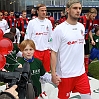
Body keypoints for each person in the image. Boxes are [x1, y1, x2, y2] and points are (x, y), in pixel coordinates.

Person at [51, 0, 92, 99]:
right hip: (65, 75)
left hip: (81, 73)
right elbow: (53, 53)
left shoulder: (81, 27)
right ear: (67, 10)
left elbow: (80, 48)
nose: (78, 11)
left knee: (88, 97)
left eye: (79, 8)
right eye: (75, 8)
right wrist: (53, 73)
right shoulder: (59, 29)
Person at [25, 4, 53, 72]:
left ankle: (44, 82)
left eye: (45, 10)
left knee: (45, 71)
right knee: (35, 71)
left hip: (46, 51)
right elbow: (27, 37)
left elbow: (51, 36)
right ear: (37, 11)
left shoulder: (48, 22)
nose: (44, 12)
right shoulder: (32, 22)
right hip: (35, 50)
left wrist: (51, 48)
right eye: (42, 10)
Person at [79, 8, 97, 74]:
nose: (94, 18)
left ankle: (86, 71)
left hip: (86, 40)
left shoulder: (91, 21)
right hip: (79, 41)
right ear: (89, 13)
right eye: (93, 16)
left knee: (86, 55)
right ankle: (79, 71)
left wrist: (92, 39)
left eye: (95, 16)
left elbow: (89, 31)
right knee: (79, 56)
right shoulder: (81, 19)